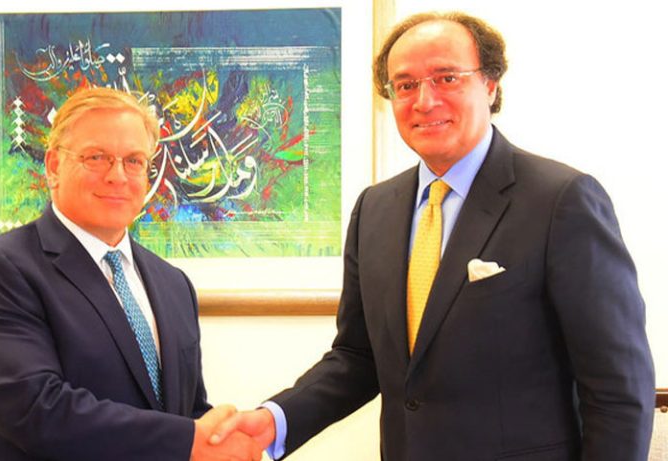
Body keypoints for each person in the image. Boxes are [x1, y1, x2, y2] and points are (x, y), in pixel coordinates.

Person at [211, 11, 655, 460]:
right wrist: (275, 420)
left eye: (446, 78)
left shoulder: (561, 200)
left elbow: (618, 387)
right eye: (405, 85)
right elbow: (357, 357)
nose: (424, 101)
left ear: (490, 84)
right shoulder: (375, 209)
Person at [0, 87, 261, 461]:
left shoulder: (173, 284)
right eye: (96, 157)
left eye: (134, 160)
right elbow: (36, 411)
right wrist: (189, 440)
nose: (118, 176)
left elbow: (185, 413)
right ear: (53, 167)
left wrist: (226, 438)